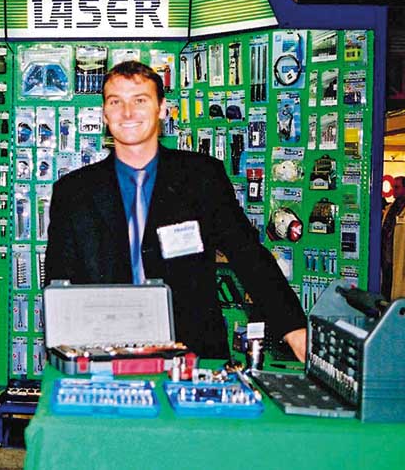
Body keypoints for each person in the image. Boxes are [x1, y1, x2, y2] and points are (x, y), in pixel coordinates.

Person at [44, 61, 307, 361]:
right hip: (102, 356)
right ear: (104, 113)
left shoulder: (202, 177)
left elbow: (248, 255)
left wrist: (293, 328)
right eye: (116, 102)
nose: (127, 113)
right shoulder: (73, 191)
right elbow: (58, 283)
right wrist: (68, 357)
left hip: (191, 354)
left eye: (140, 100)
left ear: (161, 109)